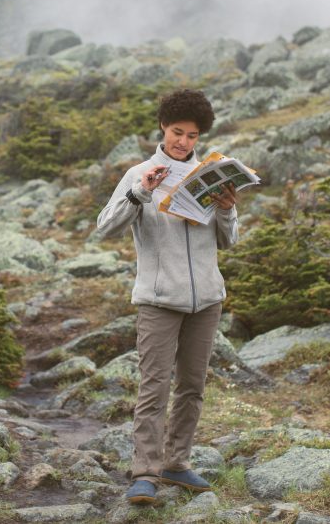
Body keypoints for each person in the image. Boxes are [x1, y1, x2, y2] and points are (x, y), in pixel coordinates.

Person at [96, 89, 239, 505]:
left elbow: (228, 241)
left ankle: (177, 464)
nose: (184, 142)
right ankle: (145, 472)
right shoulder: (139, 174)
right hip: (159, 301)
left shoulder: (211, 173)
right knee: (154, 387)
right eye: (178, 133)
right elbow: (105, 227)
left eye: (192, 136)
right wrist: (141, 193)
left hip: (206, 300)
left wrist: (227, 209)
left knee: (192, 387)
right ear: (163, 126)